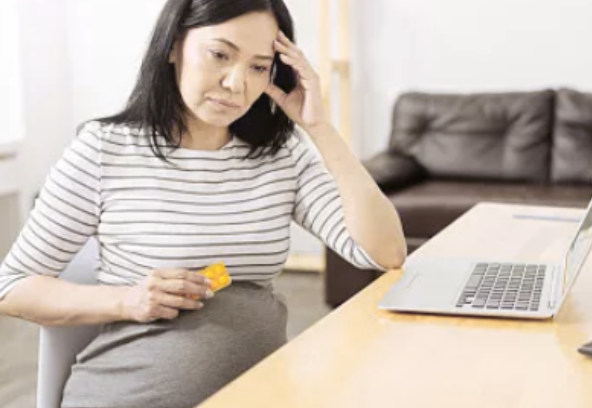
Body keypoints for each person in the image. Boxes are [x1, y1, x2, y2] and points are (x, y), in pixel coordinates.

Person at [0, 0, 406, 406]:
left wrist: (319, 128)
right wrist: (129, 300)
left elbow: (383, 252)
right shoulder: (106, 150)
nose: (236, 83)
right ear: (174, 44)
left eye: (258, 66)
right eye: (220, 55)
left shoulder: (281, 155)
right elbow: (12, 287)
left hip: (259, 394)